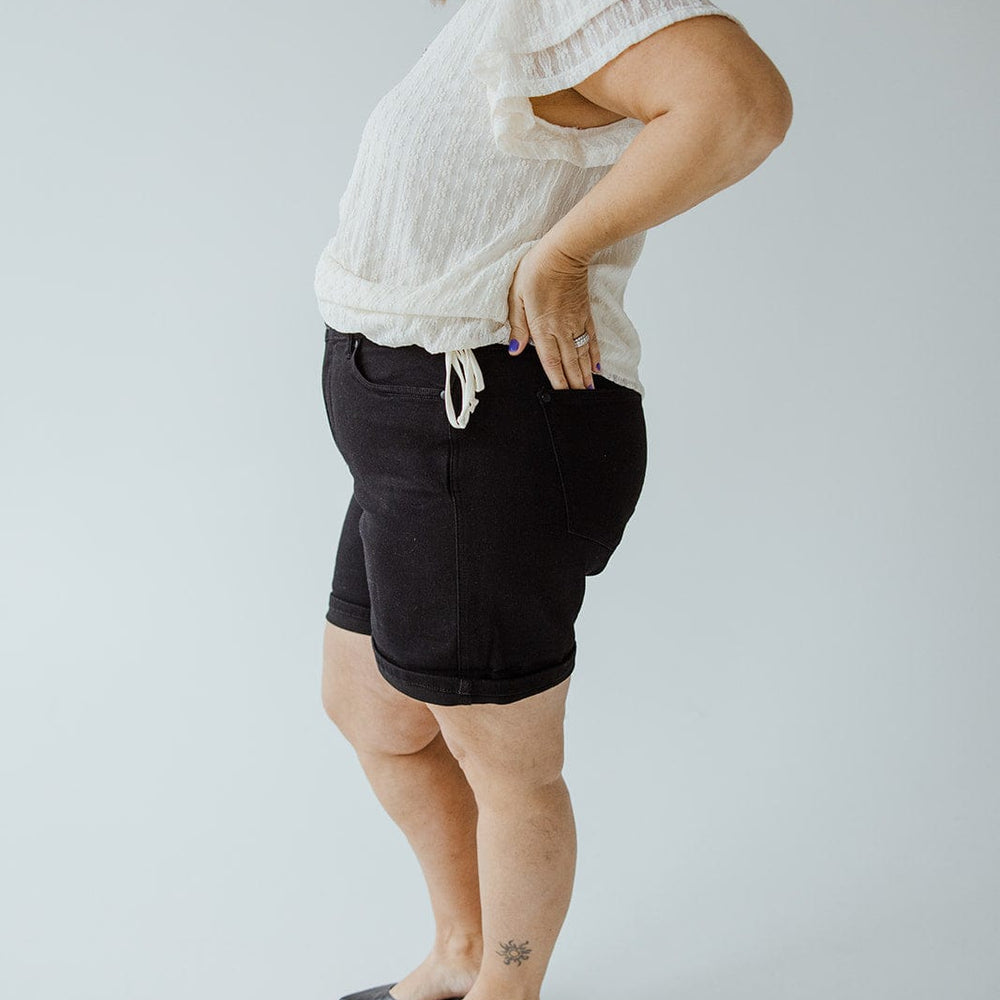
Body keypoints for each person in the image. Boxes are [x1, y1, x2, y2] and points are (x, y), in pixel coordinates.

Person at [314, 2, 792, 999]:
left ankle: (507, 986)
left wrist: (563, 253)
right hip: (413, 428)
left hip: (487, 427)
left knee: (505, 763)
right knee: (373, 711)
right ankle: (459, 954)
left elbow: (741, 104)